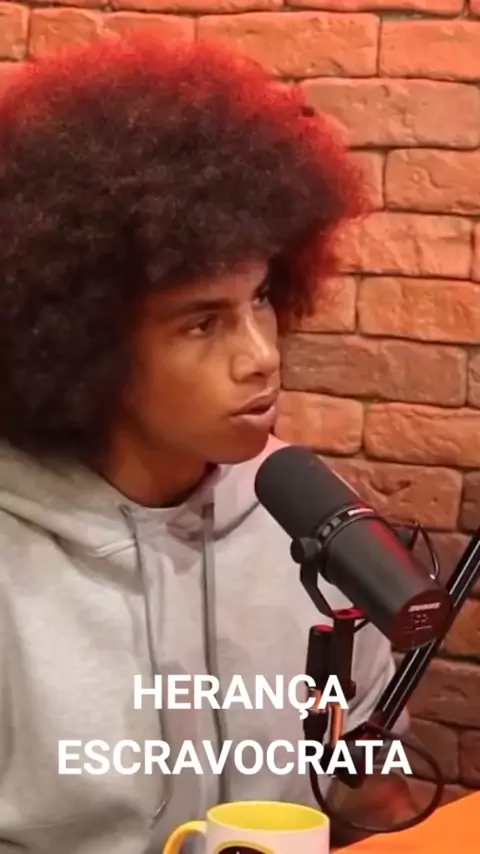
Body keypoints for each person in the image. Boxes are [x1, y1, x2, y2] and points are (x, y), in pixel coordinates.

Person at [0, 33, 409, 853]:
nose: (261, 355)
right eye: (202, 323)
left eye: (261, 300)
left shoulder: (311, 526)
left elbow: (362, 778)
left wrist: (371, 792)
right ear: (90, 349)